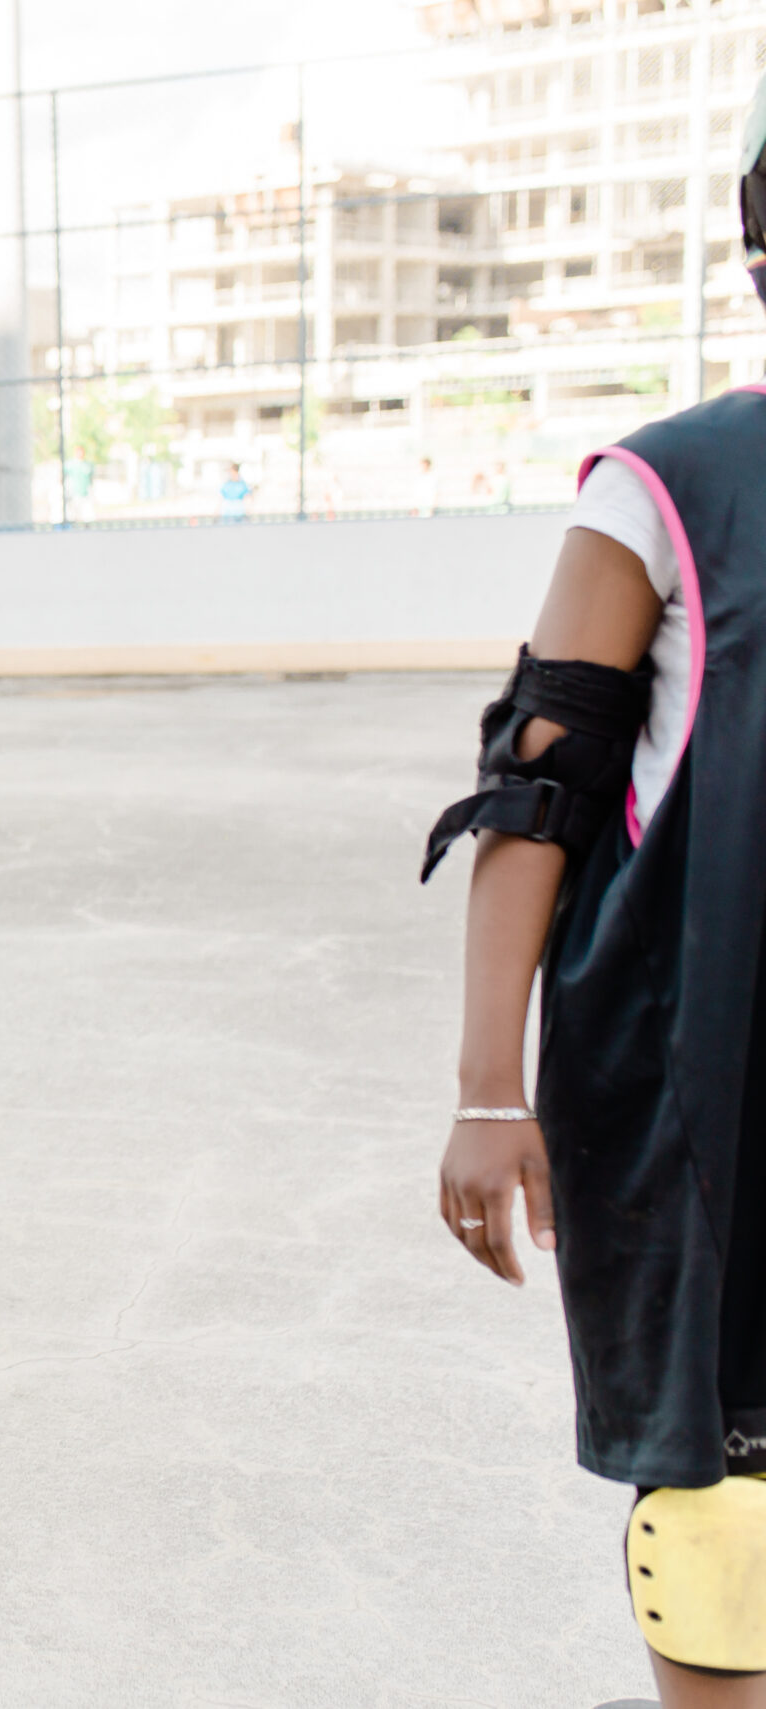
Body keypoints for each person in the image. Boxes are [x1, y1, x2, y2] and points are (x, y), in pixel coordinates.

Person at [421, 73, 766, 1702]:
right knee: (721, 1520)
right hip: (713, 1107)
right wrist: (490, 1089)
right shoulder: (671, 489)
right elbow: (536, 796)